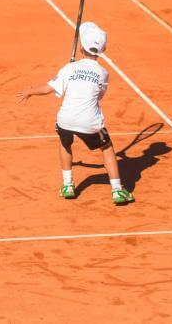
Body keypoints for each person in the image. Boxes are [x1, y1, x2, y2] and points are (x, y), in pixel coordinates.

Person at [17, 22, 135, 205]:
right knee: (107, 148)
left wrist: (30, 91)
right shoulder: (103, 73)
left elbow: (48, 88)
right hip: (90, 121)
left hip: (65, 120)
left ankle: (67, 186)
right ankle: (118, 190)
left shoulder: (68, 68)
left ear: (80, 48)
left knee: (65, 143)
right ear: (102, 49)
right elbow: (99, 97)